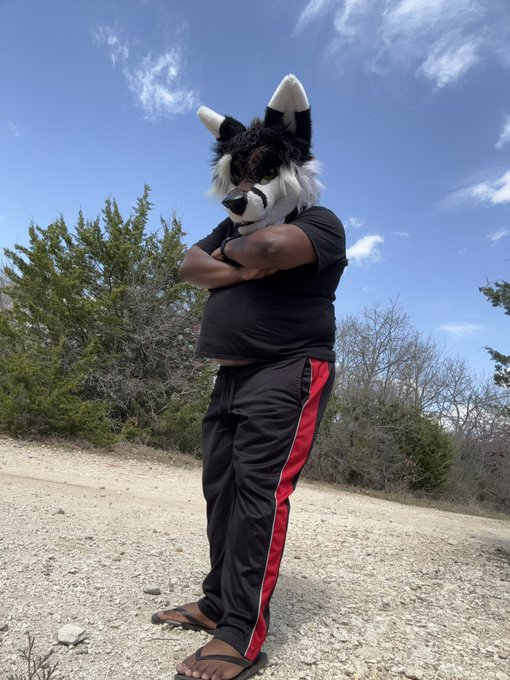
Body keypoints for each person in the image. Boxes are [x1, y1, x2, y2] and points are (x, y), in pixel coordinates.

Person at [151, 75, 348, 680]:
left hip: (289, 371)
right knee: (221, 490)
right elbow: (189, 265)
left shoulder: (322, 222)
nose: (243, 193)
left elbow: (271, 250)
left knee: (260, 496)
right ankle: (217, 603)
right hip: (231, 377)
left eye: (256, 177)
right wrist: (239, 269)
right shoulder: (231, 228)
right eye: (238, 179)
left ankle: (242, 632)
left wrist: (236, 257)